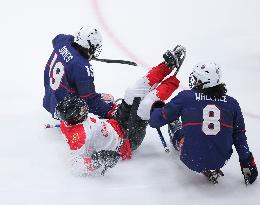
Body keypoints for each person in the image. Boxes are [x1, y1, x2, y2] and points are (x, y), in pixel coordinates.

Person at [54, 46, 186, 176]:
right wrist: (97, 160)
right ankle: (172, 82)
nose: (84, 109)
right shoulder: (79, 137)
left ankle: (167, 66)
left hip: (116, 122)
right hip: (126, 141)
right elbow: (75, 165)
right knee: (146, 105)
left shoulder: (66, 120)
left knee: (131, 91)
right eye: (81, 110)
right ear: (74, 117)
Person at [149, 62, 258, 185]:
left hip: (191, 159)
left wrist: (156, 109)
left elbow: (154, 121)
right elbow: (239, 137)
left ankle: (177, 131)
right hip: (220, 159)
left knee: (179, 129)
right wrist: (248, 163)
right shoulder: (232, 103)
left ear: (202, 81)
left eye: (196, 78)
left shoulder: (186, 97)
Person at [43, 26, 116, 119]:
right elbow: (90, 100)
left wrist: (72, 53)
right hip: (64, 109)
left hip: (50, 99)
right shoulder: (82, 67)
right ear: (89, 46)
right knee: (107, 101)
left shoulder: (63, 41)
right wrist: (109, 111)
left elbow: (56, 39)